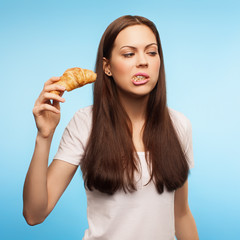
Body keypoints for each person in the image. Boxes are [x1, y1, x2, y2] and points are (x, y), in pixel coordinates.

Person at [23, 15, 199, 240]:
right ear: (107, 67)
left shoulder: (179, 124)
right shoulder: (86, 122)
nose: (142, 61)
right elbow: (34, 214)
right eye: (129, 54)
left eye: (151, 52)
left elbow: (181, 215)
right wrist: (44, 136)